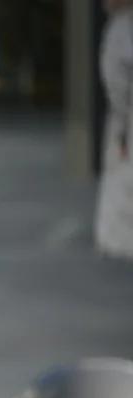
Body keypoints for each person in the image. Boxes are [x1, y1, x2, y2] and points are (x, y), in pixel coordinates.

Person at [97, 0, 133, 260]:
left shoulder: (120, 28)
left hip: (127, 117)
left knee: (123, 176)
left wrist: (122, 121)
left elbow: (116, 81)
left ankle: (118, 240)